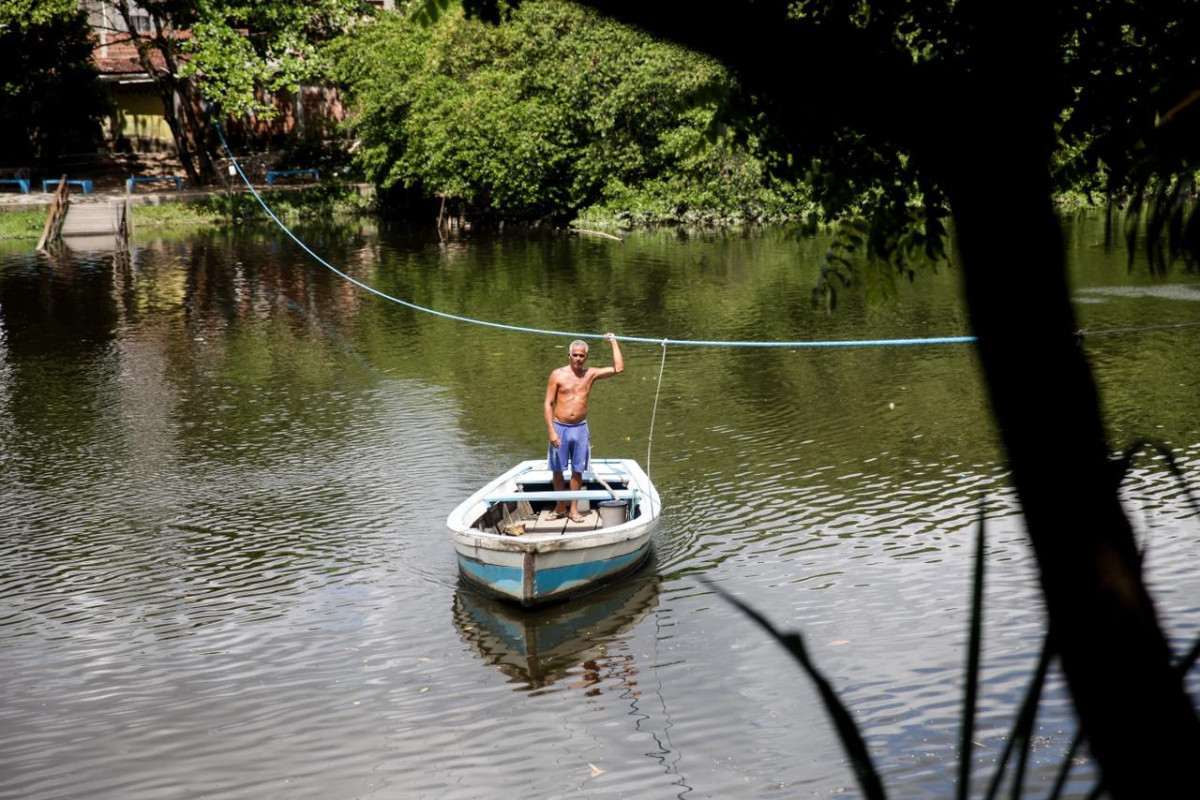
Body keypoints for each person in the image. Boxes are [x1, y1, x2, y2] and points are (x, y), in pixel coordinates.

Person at [544, 333, 623, 522]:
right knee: (557, 469)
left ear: (586, 357)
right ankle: (560, 506)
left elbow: (618, 368)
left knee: (578, 470)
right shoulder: (557, 374)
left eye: (582, 355)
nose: (578, 358)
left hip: (579, 428)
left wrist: (613, 341)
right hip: (559, 427)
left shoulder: (590, 374)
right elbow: (548, 403)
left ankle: (573, 509)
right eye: (575, 355)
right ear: (569, 355)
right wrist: (551, 431)